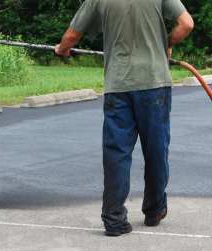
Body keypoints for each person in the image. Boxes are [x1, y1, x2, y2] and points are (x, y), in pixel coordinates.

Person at [55, 0, 194, 236]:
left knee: (116, 152)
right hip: (154, 83)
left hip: (118, 85)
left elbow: (72, 35)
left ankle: (114, 218)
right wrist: (166, 44)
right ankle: (154, 210)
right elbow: (186, 24)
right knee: (156, 149)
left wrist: (62, 49)